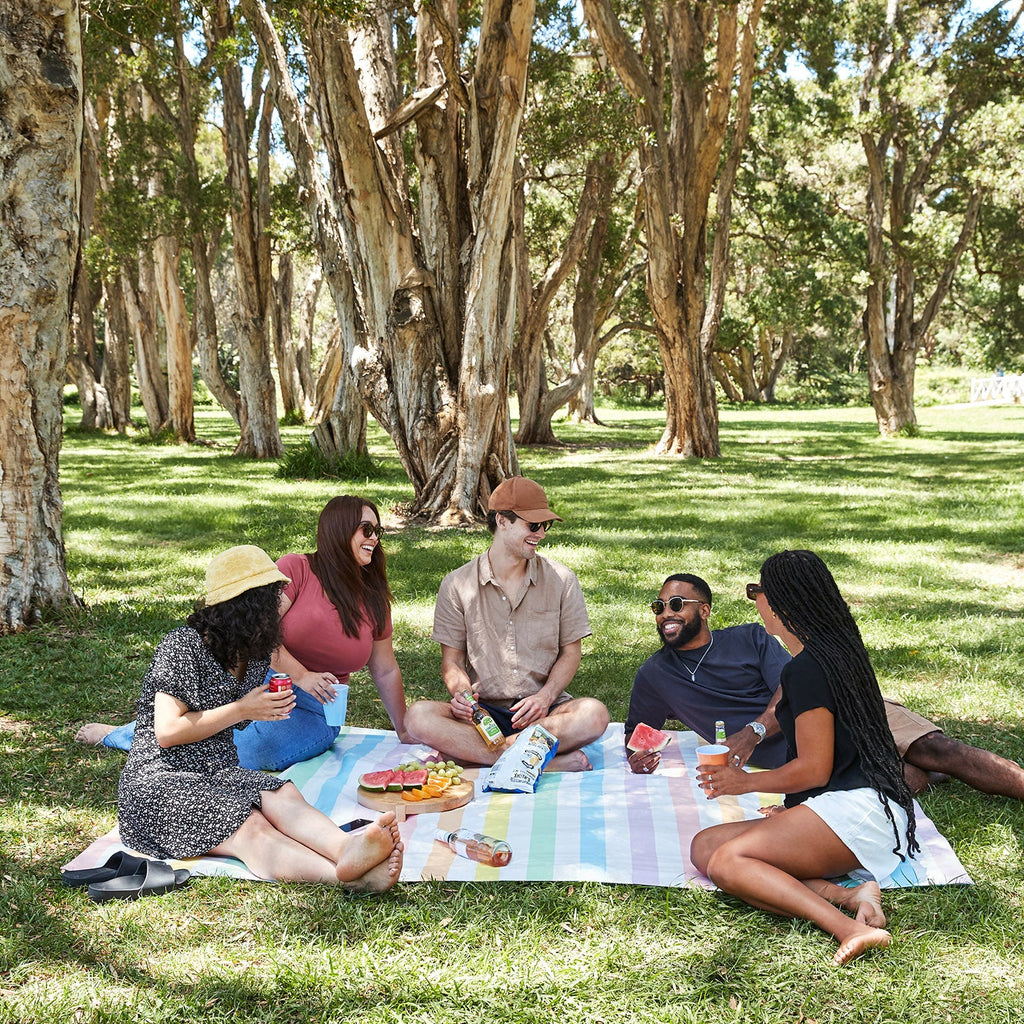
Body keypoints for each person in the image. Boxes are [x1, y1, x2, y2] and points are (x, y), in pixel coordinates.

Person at [116, 545, 402, 889]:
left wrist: (267, 709)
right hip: (160, 784)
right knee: (251, 825)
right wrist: (243, 709)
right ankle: (347, 880)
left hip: (218, 772)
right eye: (270, 597)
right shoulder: (183, 646)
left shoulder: (253, 653)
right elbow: (167, 731)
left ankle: (346, 849)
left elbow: (235, 719)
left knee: (282, 793)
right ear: (244, 605)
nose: (277, 606)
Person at [689, 550, 918, 966]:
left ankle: (850, 929)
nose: (754, 600)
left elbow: (815, 768)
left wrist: (746, 783)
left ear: (780, 602)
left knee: (728, 861)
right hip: (852, 803)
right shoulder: (830, 653)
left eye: (756, 590)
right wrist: (797, 812)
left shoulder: (808, 668)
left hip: (862, 812)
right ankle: (849, 895)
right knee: (704, 848)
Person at [77, 495, 412, 770]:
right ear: (338, 530)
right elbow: (257, 630)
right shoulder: (297, 568)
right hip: (260, 679)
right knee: (205, 727)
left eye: (378, 531)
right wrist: (301, 675)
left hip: (317, 708)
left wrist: (404, 728)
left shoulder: (374, 599)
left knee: (253, 752)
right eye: (366, 529)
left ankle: (160, 739)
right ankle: (129, 734)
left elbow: (385, 669)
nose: (374, 538)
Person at [626, 573, 1024, 801]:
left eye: (676, 604)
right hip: (802, 756)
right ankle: (925, 771)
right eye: (659, 607)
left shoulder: (749, 637)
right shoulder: (655, 675)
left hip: (841, 705)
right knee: (904, 778)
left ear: (704, 610)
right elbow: (637, 735)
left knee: (938, 749)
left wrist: (752, 732)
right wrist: (637, 756)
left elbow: (797, 682)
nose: (665, 614)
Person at [405, 476, 609, 771]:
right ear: (502, 521)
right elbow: (452, 662)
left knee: (594, 714)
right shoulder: (457, 584)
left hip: (545, 712)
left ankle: (477, 756)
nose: (541, 534)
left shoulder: (562, 580)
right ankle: (542, 762)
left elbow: (571, 652)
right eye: (533, 525)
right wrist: (464, 698)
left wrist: (545, 697)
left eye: (545, 526)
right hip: (482, 715)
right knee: (418, 716)